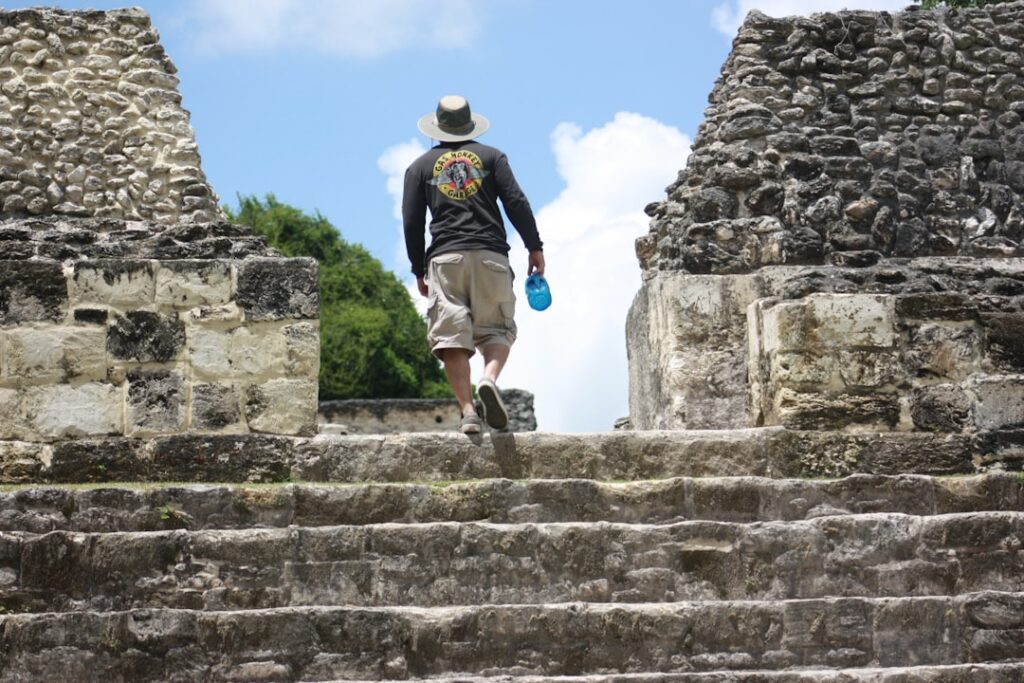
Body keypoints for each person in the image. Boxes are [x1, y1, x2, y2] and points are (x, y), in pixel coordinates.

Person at [403, 95, 545, 434]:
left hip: (445, 259)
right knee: (496, 329)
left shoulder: (419, 167)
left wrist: (417, 268)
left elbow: (411, 220)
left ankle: (468, 412)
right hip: (490, 255)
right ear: (469, 124)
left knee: (452, 336)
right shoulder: (492, 157)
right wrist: (534, 246)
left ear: (437, 127)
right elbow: (515, 201)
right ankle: (489, 378)